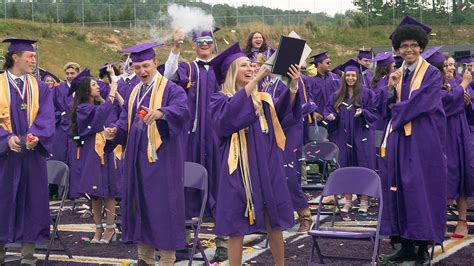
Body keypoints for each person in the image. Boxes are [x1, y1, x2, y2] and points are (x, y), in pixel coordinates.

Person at [209, 42, 301, 266]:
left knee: (274, 220)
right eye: (244, 66)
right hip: (238, 169)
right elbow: (227, 119)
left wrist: (293, 87)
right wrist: (256, 80)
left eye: (251, 65)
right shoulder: (218, 99)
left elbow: (284, 117)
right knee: (235, 225)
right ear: (231, 71)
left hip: (266, 165)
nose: (250, 68)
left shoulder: (263, 99)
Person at [104, 42, 189, 266]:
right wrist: (115, 132)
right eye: (136, 67)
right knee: (140, 205)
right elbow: (125, 122)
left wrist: (162, 113)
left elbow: (183, 110)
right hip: (137, 161)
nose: (142, 71)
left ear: (155, 63)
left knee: (163, 207)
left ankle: (167, 260)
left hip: (163, 162)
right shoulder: (134, 92)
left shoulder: (171, 89)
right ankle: (145, 258)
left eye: (146, 65)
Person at [380, 16, 447, 264]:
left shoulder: (431, 73)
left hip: (422, 141)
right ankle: (405, 245)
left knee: (420, 190)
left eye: (414, 45)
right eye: (404, 46)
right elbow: (384, 107)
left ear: (421, 46)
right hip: (400, 140)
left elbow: (422, 104)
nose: (409, 50)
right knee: (399, 188)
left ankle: (422, 249)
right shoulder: (398, 74)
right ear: (398, 49)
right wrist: (389, 87)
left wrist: (396, 110)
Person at [162, 27, 228, 261]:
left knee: (222, 186)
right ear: (193, 45)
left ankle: (223, 241)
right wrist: (176, 46)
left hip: (218, 136)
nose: (204, 44)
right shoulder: (188, 68)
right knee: (188, 184)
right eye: (199, 41)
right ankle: (187, 238)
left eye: (207, 40)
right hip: (191, 136)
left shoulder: (223, 67)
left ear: (213, 43)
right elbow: (168, 75)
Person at [0, 38, 55, 265]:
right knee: (1, 202)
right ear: (15, 57)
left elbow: (47, 117)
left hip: (32, 157)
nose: (34, 60)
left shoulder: (39, 87)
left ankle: (28, 256)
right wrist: (5, 139)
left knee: (32, 203)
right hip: (4, 158)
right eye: (30, 56)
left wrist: (36, 137)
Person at [256, 53, 317, 232]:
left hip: (288, 133)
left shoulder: (290, 80)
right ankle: (273, 218)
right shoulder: (264, 82)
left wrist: (293, 87)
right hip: (267, 134)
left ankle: (305, 214)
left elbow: (298, 106)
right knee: (269, 176)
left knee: (287, 176)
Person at [423, 47, 474, 239]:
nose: (450, 68)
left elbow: (467, 109)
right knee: (442, 176)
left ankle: (462, 221)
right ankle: (440, 220)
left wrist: (467, 103)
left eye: (452, 65)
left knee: (461, 174)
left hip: (460, 133)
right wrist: (464, 86)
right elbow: (446, 104)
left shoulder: (457, 83)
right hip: (442, 136)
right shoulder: (434, 85)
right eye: (446, 65)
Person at [70, 67, 122, 244]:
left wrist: (112, 129)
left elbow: (112, 117)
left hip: (106, 151)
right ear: (86, 89)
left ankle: (109, 228)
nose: (98, 86)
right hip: (92, 152)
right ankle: (98, 228)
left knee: (108, 191)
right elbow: (99, 116)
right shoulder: (82, 108)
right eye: (94, 84)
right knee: (95, 193)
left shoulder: (98, 104)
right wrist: (113, 89)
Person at [325, 59, 378, 213]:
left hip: (362, 135)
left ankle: (364, 201)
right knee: (346, 167)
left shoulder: (367, 93)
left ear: (358, 77)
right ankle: (348, 201)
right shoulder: (337, 95)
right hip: (343, 136)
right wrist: (330, 116)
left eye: (353, 76)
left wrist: (364, 112)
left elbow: (374, 112)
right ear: (344, 77)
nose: (350, 78)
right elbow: (328, 110)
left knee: (364, 166)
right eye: (348, 75)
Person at [308, 52, 341, 129]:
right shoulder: (311, 81)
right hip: (318, 120)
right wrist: (312, 112)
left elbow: (342, 95)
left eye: (330, 62)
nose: (330, 64)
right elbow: (307, 98)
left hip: (335, 119)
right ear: (319, 64)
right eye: (327, 62)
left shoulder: (335, 78)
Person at [370, 51, 396, 131]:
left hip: (379, 119)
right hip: (383, 119)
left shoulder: (376, 80)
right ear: (387, 67)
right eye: (393, 66)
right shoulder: (387, 80)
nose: (394, 68)